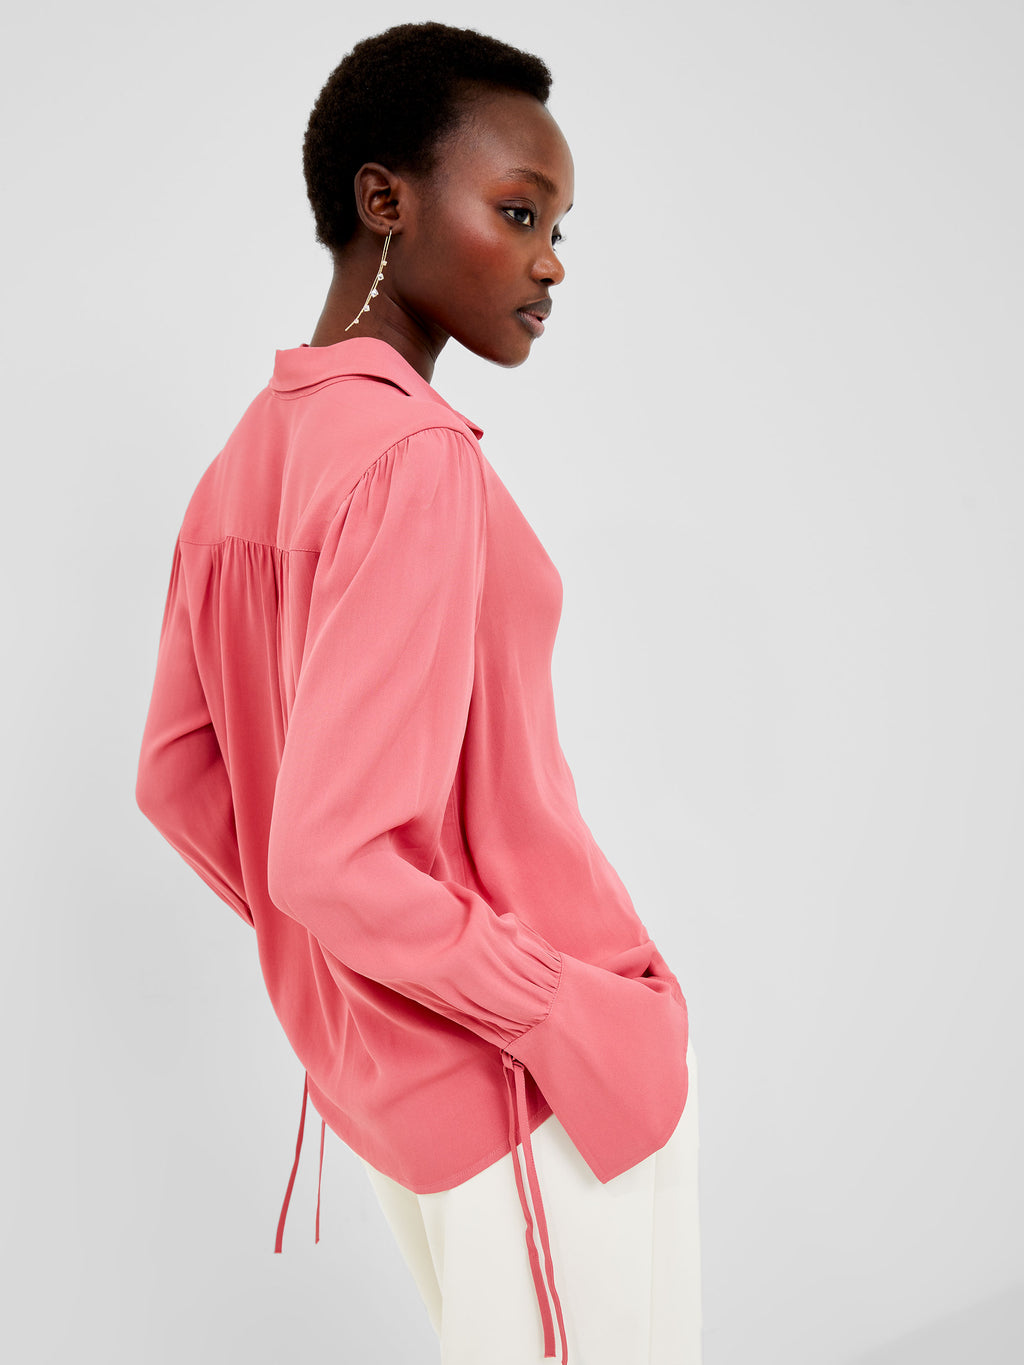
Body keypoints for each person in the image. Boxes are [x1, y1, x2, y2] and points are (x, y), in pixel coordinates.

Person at [136, 20, 701, 1365]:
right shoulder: (415, 456)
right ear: (384, 200)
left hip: (412, 1086)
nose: (552, 261)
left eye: (559, 227)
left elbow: (177, 778)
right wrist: (557, 1009)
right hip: (530, 1086)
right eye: (519, 211)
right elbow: (328, 857)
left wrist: (364, 972)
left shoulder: (243, 463)